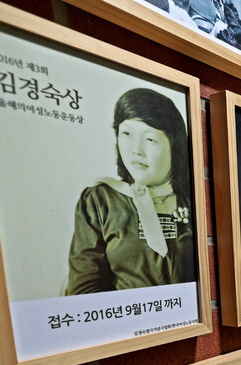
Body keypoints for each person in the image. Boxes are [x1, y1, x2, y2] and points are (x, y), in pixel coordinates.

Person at [65, 88, 194, 295]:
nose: (136, 150)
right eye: (126, 133)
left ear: (174, 145)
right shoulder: (100, 200)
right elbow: (83, 291)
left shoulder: (193, 200)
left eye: (150, 139)